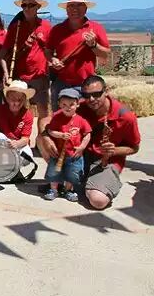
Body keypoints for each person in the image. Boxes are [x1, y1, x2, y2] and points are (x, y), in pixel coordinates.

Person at [39, 75, 141, 209]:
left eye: (97, 94)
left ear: (106, 91)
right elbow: (46, 122)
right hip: (79, 155)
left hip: (106, 161)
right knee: (41, 140)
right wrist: (46, 139)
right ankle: (68, 180)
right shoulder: (78, 105)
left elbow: (134, 147)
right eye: (86, 95)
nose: (91, 99)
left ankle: (102, 183)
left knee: (98, 201)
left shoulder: (126, 117)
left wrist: (114, 150)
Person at [47, 0, 110, 111]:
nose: (75, 9)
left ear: (85, 8)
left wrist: (93, 45)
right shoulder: (57, 30)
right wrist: (53, 59)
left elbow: (105, 54)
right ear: (66, 9)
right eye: (71, 5)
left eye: (79, 5)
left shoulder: (96, 28)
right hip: (61, 82)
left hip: (86, 85)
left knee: (87, 120)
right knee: (60, 118)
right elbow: (47, 51)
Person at [0, 0, 52, 134]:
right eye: (25, 5)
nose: (27, 8)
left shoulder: (47, 27)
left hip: (39, 77)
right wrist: (6, 74)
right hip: (19, 77)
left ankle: (42, 143)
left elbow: (51, 51)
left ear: (38, 7)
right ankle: (20, 141)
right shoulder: (16, 27)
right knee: (17, 111)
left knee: (43, 111)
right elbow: (3, 54)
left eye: (31, 5)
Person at [43, 89, 91, 202]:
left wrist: (82, 147)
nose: (68, 107)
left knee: (72, 175)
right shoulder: (56, 118)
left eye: (71, 104)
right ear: (59, 104)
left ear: (78, 104)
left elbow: (87, 134)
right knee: (54, 173)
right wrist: (60, 135)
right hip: (58, 153)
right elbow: (50, 131)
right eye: (64, 104)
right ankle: (53, 190)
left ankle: (68, 190)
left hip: (74, 154)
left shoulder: (81, 120)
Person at [0, 80, 35, 159]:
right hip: (3, 142)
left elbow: (25, 139)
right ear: (7, 98)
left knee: (28, 156)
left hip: (18, 143)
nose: (16, 103)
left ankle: (11, 164)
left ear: (25, 100)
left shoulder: (28, 115)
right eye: (13, 99)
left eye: (20, 100)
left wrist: (17, 144)